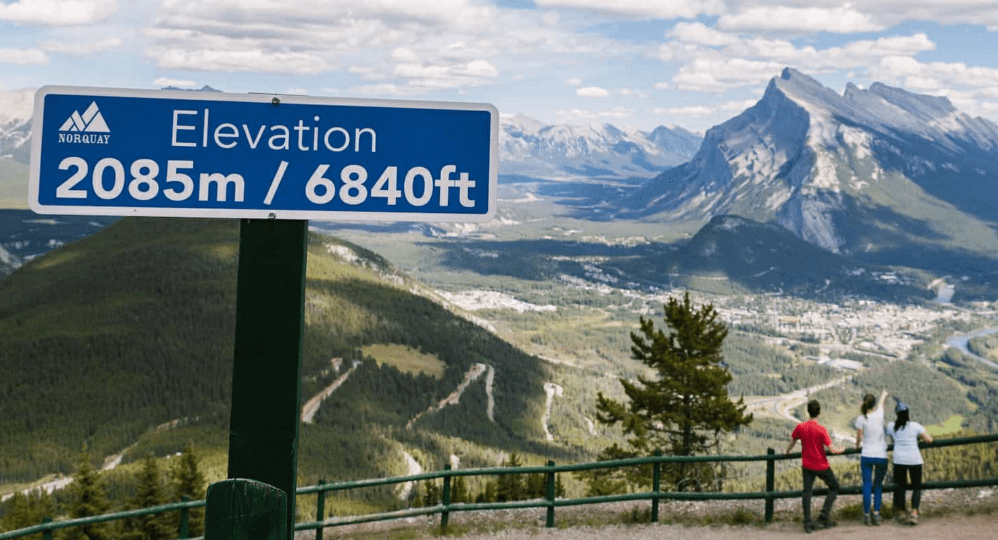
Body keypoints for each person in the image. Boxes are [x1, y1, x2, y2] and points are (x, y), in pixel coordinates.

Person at [786, 399, 845, 533]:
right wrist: (841, 449)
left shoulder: (800, 427)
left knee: (807, 492)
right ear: (819, 412)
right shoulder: (821, 430)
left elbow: (792, 442)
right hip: (821, 464)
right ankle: (823, 516)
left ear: (808, 412)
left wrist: (787, 452)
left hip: (807, 465)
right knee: (835, 486)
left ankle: (807, 523)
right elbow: (831, 450)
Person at [887, 401, 934, 525]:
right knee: (916, 487)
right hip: (914, 459)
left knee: (900, 487)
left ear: (896, 414)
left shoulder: (891, 426)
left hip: (899, 460)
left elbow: (889, 435)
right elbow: (929, 440)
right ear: (908, 413)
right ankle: (914, 513)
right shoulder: (915, 426)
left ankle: (901, 512)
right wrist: (918, 438)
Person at [854, 389, 889, 526]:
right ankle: (877, 514)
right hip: (881, 455)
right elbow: (880, 405)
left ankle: (866, 515)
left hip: (867, 455)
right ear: (873, 405)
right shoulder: (879, 415)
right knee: (878, 486)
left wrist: (857, 445)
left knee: (867, 485)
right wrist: (883, 395)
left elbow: (858, 437)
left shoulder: (860, 419)